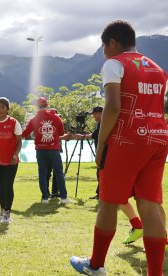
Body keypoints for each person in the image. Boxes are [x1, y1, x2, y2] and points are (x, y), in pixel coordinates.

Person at [70, 20, 168, 275]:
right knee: (150, 204)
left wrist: (101, 143)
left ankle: (96, 265)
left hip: (126, 139)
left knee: (108, 202)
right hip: (158, 137)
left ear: (113, 43)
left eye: (104, 46)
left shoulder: (114, 64)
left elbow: (113, 107)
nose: (103, 52)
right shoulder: (157, 68)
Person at [22, 97, 72, 204]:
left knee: (42, 173)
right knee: (59, 173)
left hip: (40, 150)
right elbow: (61, 133)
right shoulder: (57, 118)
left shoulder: (34, 119)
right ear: (47, 105)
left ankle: (45, 197)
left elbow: (24, 134)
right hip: (54, 149)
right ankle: (64, 198)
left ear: (37, 106)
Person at [73, 106, 103, 200]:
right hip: (100, 150)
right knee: (99, 173)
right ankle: (99, 194)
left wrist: (82, 136)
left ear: (99, 113)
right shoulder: (100, 122)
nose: (93, 117)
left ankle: (101, 194)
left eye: (94, 114)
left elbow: (95, 135)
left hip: (103, 152)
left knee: (100, 173)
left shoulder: (103, 122)